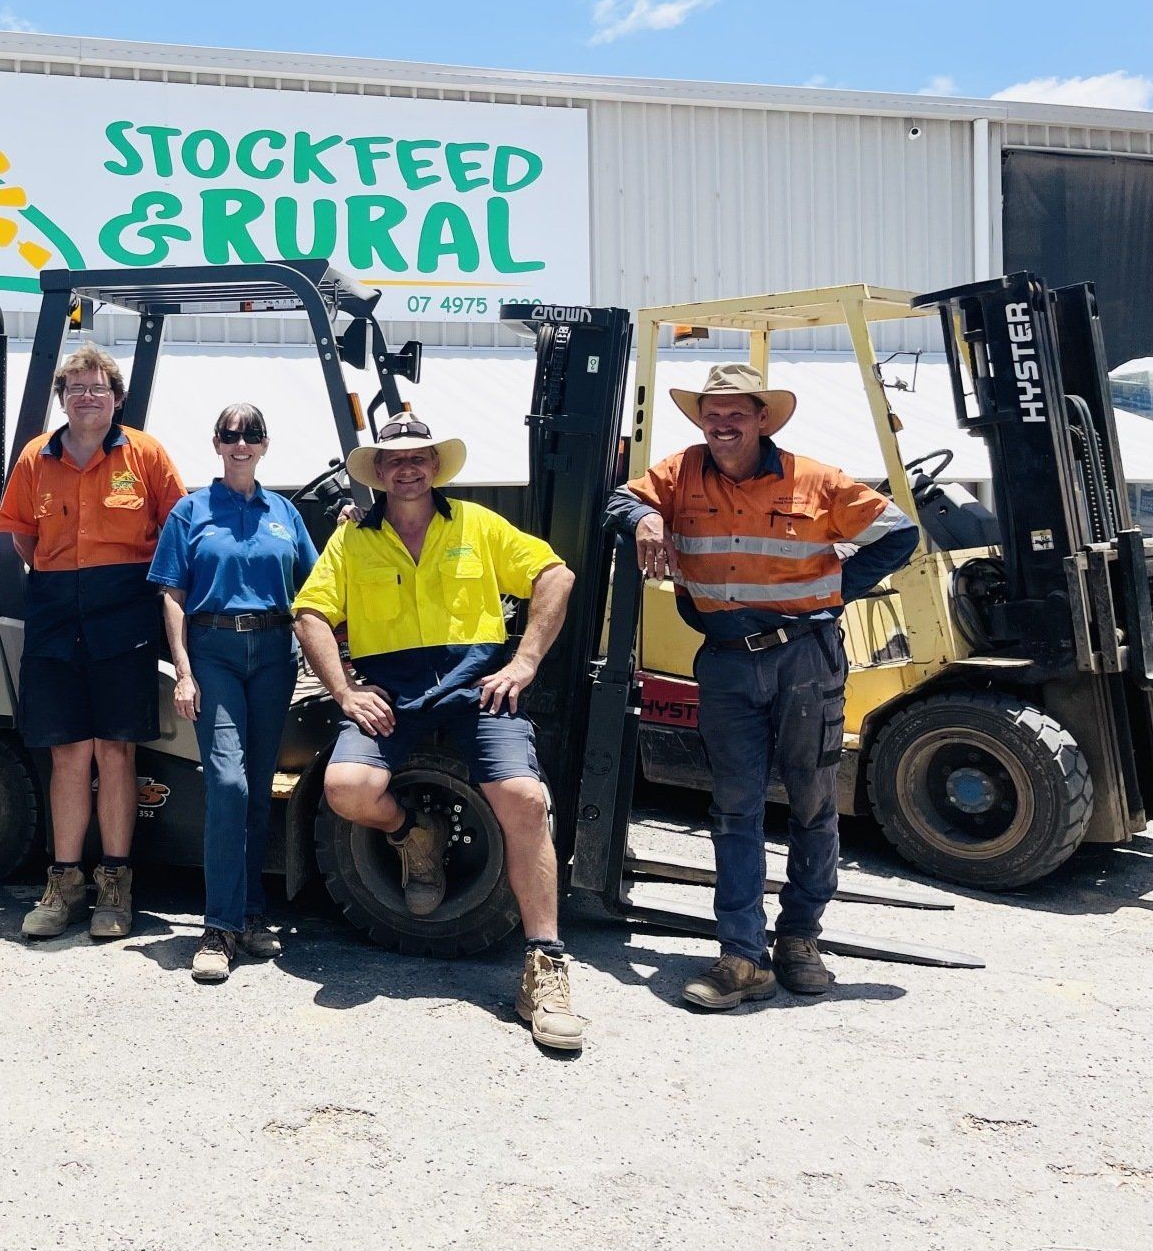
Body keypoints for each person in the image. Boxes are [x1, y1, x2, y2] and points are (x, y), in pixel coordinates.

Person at [607, 363, 917, 1010]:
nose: (722, 426)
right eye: (711, 415)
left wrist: (832, 593)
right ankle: (742, 957)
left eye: (735, 415)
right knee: (734, 809)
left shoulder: (814, 480)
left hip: (804, 658)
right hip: (724, 661)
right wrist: (642, 520)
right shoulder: (681, 471)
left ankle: (800, 939)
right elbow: (620, 499)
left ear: (761, 420)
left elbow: (898, 533)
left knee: (810, 802)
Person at [293, 415, 587, 1052]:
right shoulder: (353, 542)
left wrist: (525, 661)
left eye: (418, 457)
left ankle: (545, 963)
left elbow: (554, 574)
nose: (407, 468)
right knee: (346, 788)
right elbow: (310, 611)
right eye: (394, 460)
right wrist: (344, 690)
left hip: (476, 689)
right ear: (379, 472)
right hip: (392, 692)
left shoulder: (477, 525)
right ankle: (412, 834)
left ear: (434, 465)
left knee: (526, 801)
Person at [0, 343, 187, 941]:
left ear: (116, 397)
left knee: (116, 750)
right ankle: (64, 883)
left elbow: (177, 529)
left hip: (124, 609)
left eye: (96, 387)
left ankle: (116, 885)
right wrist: (63, 576)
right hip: (54, 610)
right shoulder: (34, 458)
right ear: (62, 398)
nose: (85, 397)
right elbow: (23, 538)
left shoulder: (146, 454)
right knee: (67, 753)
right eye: (75, 388)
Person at [150, 404, 319, 983]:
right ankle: (217, 927)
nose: (240, 444)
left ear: (265, 445)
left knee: (256, 789)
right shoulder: (190, 511)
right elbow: (172, 594)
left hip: (274, 655)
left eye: (251, 435)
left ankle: (250, 914)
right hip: (214, 652)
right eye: (230, 435)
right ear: (216, 444)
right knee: (227, 782)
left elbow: (314, 587)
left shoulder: (284, 513)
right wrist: (185, 671)